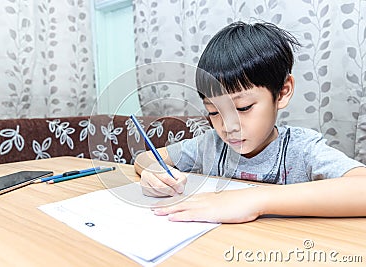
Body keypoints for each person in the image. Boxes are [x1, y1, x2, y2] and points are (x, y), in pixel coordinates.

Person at [133, 21, 366, 223]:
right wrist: (154, 173)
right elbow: (145, 157)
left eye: (243, 108)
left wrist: (254, 199)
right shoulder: (210, 145)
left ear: (283, 92)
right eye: (214, 112)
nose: (228, 126)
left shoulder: (302, 149)